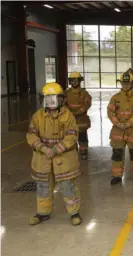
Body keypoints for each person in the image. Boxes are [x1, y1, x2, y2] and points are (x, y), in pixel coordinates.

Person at [26, 82, 82, 226]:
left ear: (61, 99)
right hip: (42, 159)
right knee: (43, 187)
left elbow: (71, 136)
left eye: (54, 99)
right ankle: (43, 213)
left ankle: (74, 213)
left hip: (63, 160)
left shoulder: (68, 116)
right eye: (48, 98)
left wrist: (56, 149)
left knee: (68, 186)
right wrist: (44, 149)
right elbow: (31, 135)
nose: (51, 102)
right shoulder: (37, 116)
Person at [107, 69, 133, 185]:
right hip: (118, 130)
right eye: (123, 83)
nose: (125, 85)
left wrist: (129, 123)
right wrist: (117, 123)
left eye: (127, 83)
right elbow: (110, 111)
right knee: (117, 154)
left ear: (132, 84)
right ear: (121, 84)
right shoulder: (115, 98)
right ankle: (117, 176)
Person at [65, 71, 92, 160]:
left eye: (76, 81)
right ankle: (73, 152)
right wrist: (69, 113)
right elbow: (63, 104)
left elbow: (87, 104)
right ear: (70, 82)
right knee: (70, 136)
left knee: (82, 136)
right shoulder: (67, 92)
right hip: (69, 119)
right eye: (72, 81)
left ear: (79, 81)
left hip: (81, 119)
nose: (74, 82)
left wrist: (77, 113)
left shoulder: (84, 93)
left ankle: (83, 152)